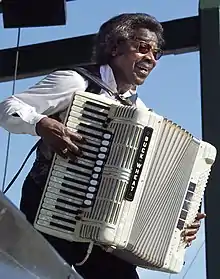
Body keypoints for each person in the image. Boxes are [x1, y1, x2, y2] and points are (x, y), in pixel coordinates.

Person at [0, 13, 205, 279]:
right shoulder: (77, 82)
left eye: (156, 53)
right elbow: (8, 108)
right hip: (50, 212)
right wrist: (40, 124)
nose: (151, 59)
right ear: (115, 46)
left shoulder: (140, 113)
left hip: (101, 230)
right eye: (143, 48)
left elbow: (152, 184)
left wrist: (180, 221)